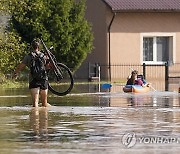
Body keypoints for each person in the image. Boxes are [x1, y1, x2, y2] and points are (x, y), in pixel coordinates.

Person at [13, 39, 50, 107]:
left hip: (33, 80)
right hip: (43, 79)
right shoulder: (43, 56)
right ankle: (45, 117)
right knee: (44, 104)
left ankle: (34, 117)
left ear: (32, 47)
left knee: (35, 104)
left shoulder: (28, 56)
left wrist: (15, 73)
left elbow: (20, 67)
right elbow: (48, 67)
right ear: (39, 47)